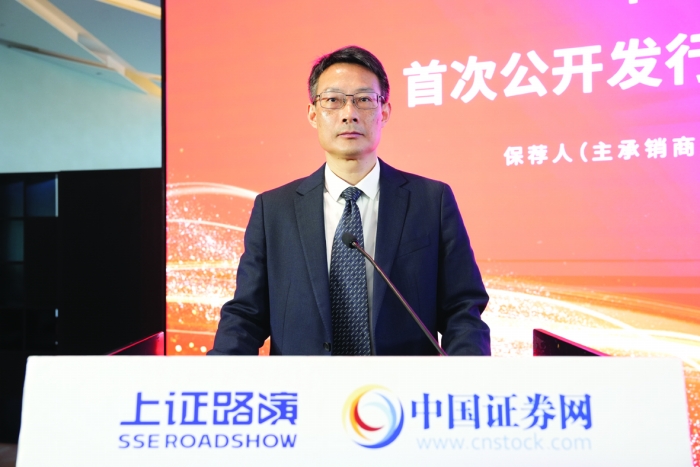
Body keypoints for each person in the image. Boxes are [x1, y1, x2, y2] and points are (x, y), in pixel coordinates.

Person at [208, 45, 490, 356]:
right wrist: (216, 374)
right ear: (313, 114)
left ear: (384, 112)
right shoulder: (274, 210)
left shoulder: (431, 201)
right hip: (304, 384)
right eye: (333, 100)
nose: (349, 113)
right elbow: (247, 314)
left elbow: (462, 309)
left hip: (402, 385)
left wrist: (468, 374)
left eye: (364, 100)